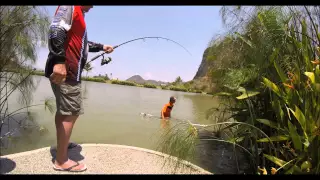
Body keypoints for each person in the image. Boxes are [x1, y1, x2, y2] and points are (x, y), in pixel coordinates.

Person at [44, 6, 114, 172]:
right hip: (66, 72)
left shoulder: (78, 14)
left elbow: (82, 44)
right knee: (71, 113)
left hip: (68, 72)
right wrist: (60, 61)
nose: (92, 7)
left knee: (65, 112)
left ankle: (62, 146)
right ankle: (61, 160)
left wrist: (102, 47)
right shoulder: (71, 7)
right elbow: (56, 29)